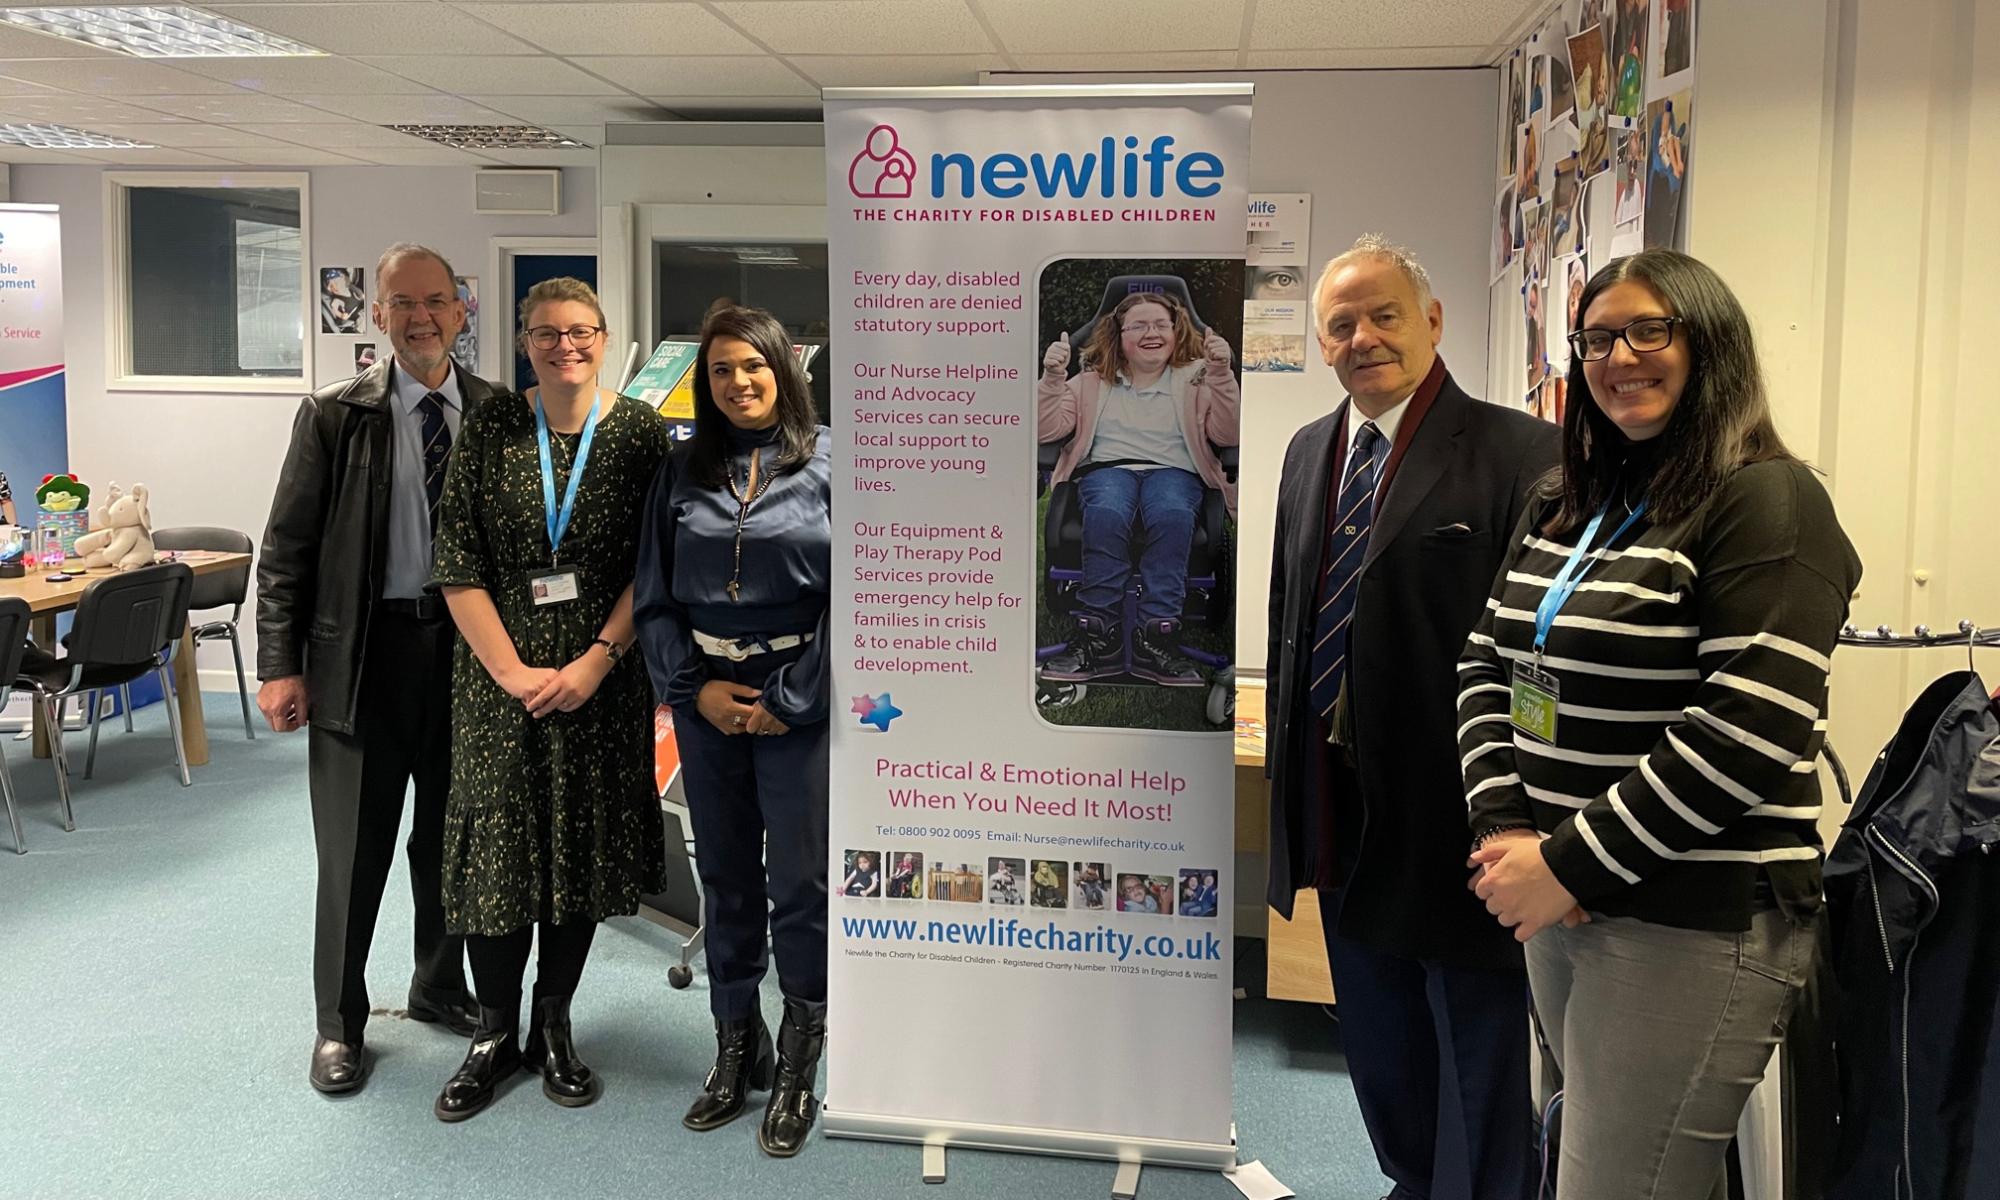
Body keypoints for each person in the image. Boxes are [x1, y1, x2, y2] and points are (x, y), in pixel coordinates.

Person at [1461, 249, 1861, 1199]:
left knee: (1617, 1184)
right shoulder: (1567, 501)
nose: (1618, 357)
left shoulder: (1769, 500)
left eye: (1650, 330)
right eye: (1597, 338)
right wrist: (1508, 830)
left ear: (1709, 344)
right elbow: (1488, 663)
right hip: (1560, 903)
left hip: (1691, 922)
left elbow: (1745, 732)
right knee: (1624, 1167)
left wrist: (1566, 864)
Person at [1266, 235, 1560, 1200]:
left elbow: (1535, 654)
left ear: (1432, 321)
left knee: (1475, 1052)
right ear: (1322, 346)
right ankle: (1410, 1180)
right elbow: (1292, 619)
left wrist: (1521, 815)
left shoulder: (1523, 453)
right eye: (1341, 325)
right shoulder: (1312, 453)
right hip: (1338, 809)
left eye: (1384, 314)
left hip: (1459, 814)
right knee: (1381, 1044)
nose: (1364, 338)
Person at [423, 276, 669, 1121]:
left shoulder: (638, 434)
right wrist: (511, 672)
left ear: (605, 337)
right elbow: (457, 559)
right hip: (499, 684)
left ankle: (553, 1024)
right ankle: (493, 1033)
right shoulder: (491, 424)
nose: (565, 345)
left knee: (579, 849)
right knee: (500, 854)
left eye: (581, 331)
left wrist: (598, 660)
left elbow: (653, 568)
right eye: (546, 332)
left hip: (601, 680)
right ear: (523, 341)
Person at [257, 242, 487, 1096]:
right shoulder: (333, 415)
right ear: (377, 314)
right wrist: (279, 665)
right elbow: (285, 552)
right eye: (402, 303)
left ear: (461, 309)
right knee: (353, 854)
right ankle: (339, 1026)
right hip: (360, 659)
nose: (420, 317)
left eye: (435, 300)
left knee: (450, 843)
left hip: (468, 663)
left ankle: (436, 986)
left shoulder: (497, 414)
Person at [634, 305, 831, 1157]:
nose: (738, 382)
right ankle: (734, 1043)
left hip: (799, 703)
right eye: (720, 370)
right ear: (703, 382)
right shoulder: (681, 472)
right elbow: (654, 596)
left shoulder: (833, 467)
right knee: (724, 877)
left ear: (785, 369)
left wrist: (792, 696)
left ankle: (796, 1063)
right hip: (708, 699)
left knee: (800, 883)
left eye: (753, 365)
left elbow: (858, 600)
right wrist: (693, 689)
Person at [1038, 291, 1239, 686]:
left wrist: (1221, 373)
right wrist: (1052, 379)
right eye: (1140, 325)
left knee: (1171, 512)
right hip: (1108, 470)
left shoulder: (1198, 376)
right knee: (1108, 510)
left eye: (1161, 324)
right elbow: (1047, 430)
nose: (1152, 333)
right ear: (1120, 334)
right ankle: (1096, 633)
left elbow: (1228, 432)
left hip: (1174, 471)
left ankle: (1158, 636)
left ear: (1176, 330)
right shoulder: (1092, 380)